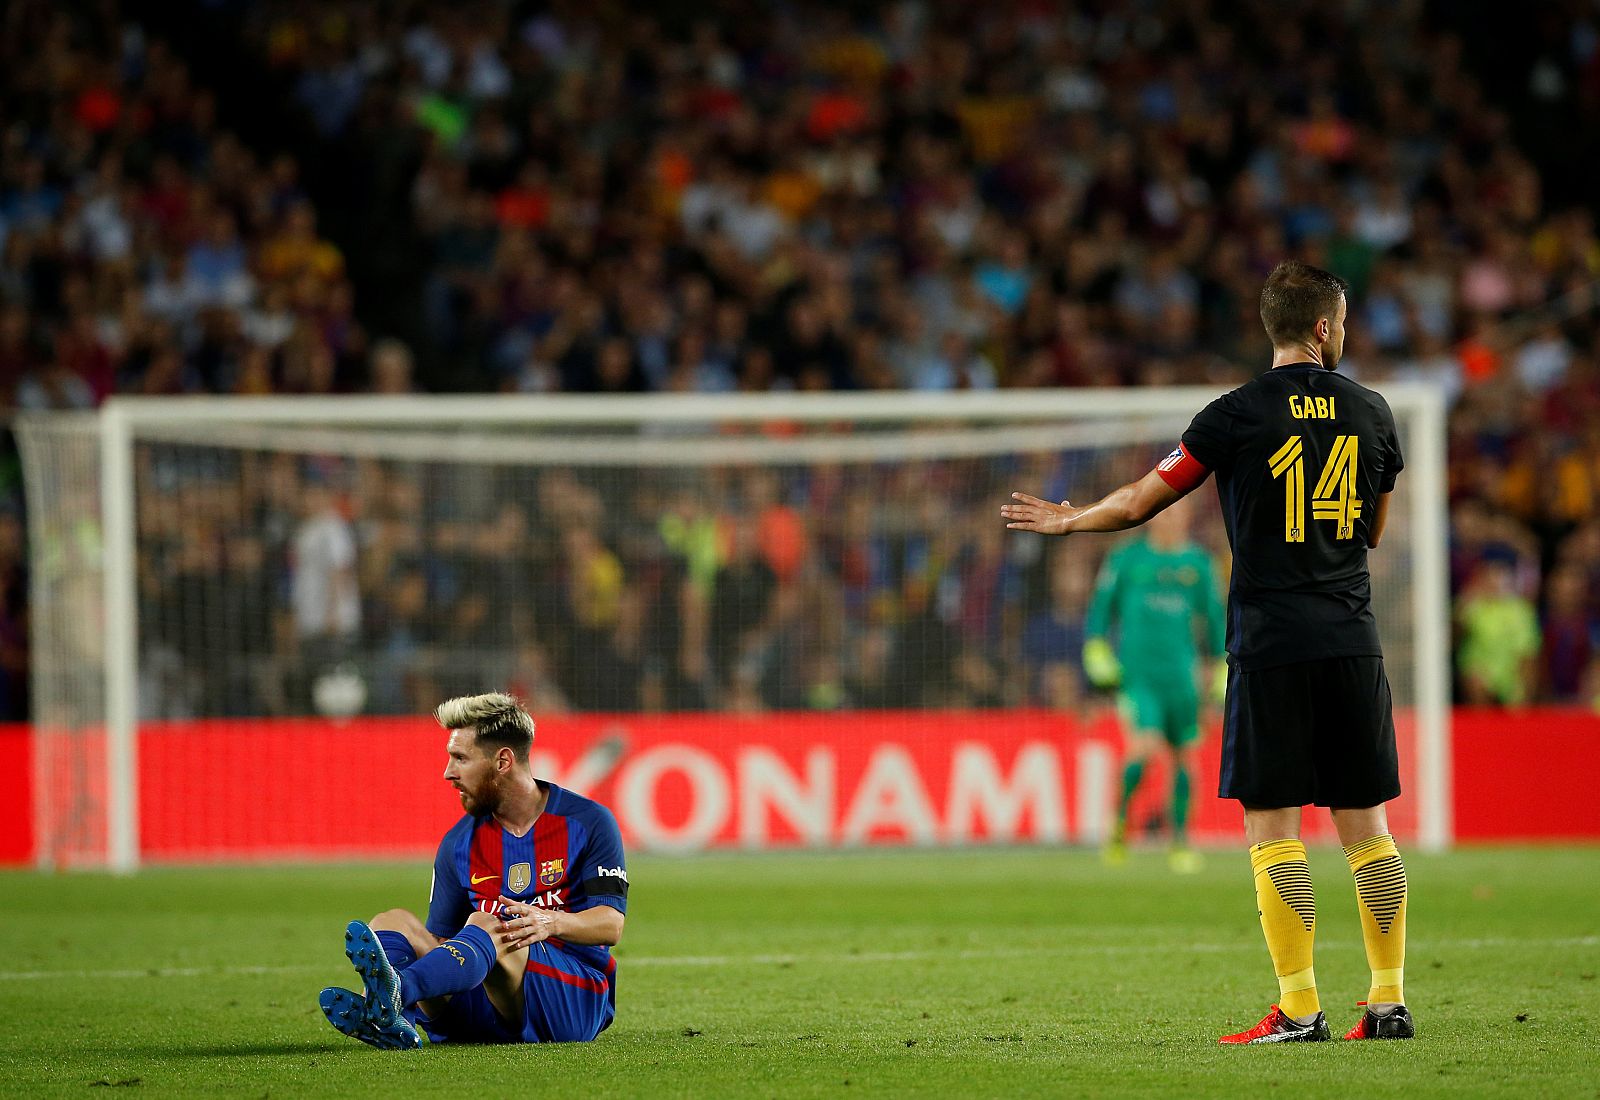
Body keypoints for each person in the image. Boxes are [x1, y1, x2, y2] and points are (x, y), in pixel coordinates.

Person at [1001, 260, 1412, 1044]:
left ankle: (1299, 1008)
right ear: (1325, 327)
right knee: (1368, 829)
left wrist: (1070, 521)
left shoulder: (1232, 415)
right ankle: (1388, 1002)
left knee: (1275, 828)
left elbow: (1139, 502)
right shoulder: (1375, 411)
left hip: (1270, 644)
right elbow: (1374, 530)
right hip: (1352, 640)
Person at [319, 692, 628, 1049]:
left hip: (572, 1000)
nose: (448, 772)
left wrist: (550, 922)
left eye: (460, 758)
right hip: (485, 1008)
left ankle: (398, 994)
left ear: (502, 761)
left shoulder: (588, 822)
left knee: (486, 922)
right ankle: (394, 1017)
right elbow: (441, 942)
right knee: (393, 921)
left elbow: (611, 924)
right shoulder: (459, 843)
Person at [1083, 500, 1226, 872]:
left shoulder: (1198, 565)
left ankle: (1180, 842)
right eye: (1164, 511)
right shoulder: (1127, 560)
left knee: (1184, 756)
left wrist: (1220, 672)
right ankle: (1119, 825)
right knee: (1143, 749)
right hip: (1139, 677)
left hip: (1182, 678)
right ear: (1151, 516)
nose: (1172, 518)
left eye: (1179, 512)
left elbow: (1214, 623)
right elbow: (1101, 608)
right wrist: (1096, 648)